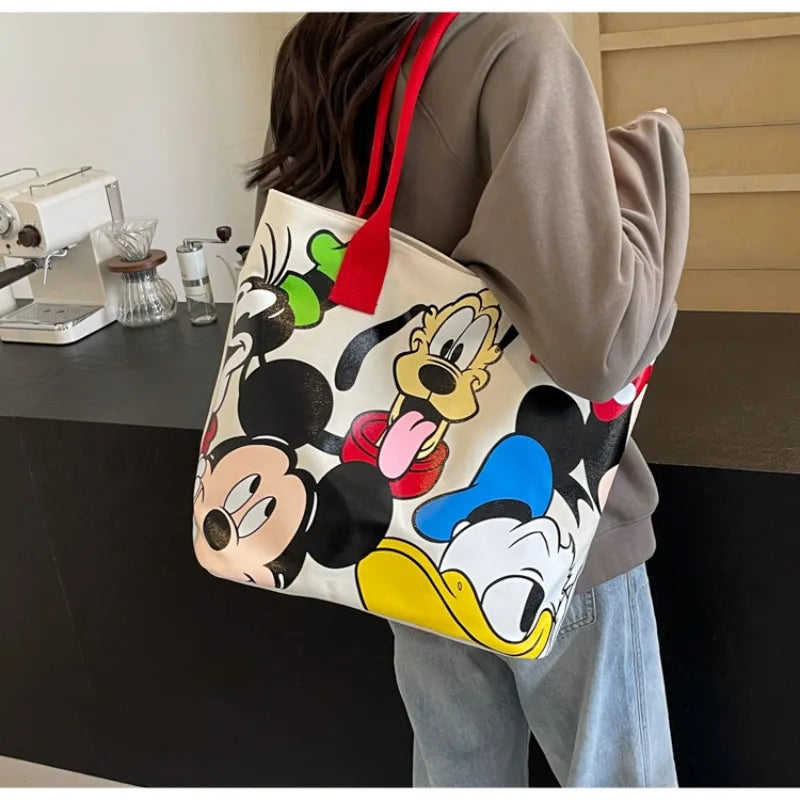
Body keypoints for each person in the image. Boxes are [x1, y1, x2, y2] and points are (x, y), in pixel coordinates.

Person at [249, 12, 690, 789]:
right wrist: (652, 174)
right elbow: (600, 346)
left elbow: (311, 260)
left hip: (405, 526)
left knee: (460, 774)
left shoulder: (323, 43)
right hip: (552, 529)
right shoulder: (514, 43)